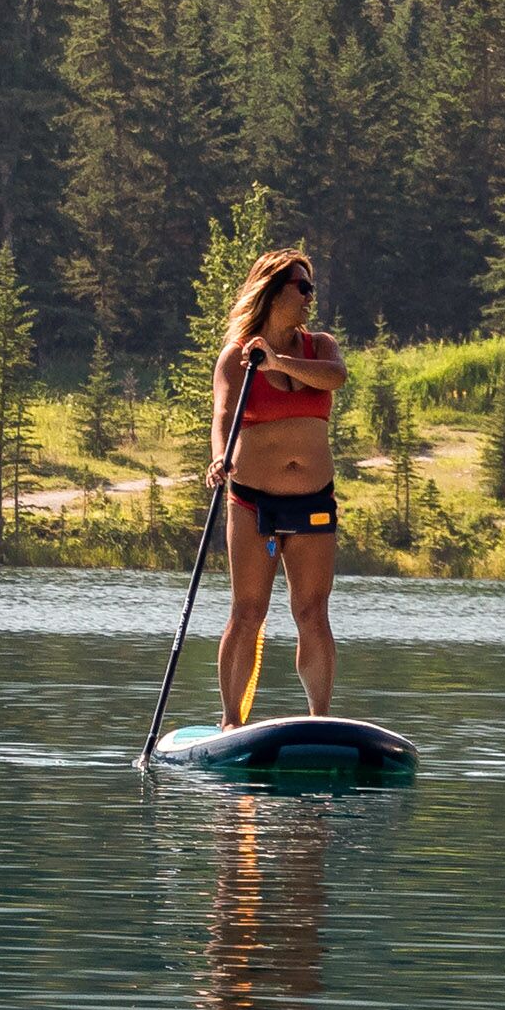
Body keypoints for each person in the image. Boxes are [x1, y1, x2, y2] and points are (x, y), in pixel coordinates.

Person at [206, 248, 349, 725]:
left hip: (313, 500)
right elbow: (224, 415)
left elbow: (336, 378)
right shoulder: (236, 357)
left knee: (312, 612)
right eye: (302, 287)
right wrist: (219, 456)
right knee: (248, 612)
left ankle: (320, 718)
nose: (310, 298)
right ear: (273, 290)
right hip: (253, 501)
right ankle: (231, 720)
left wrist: (279, 363)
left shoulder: (319, 348)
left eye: (312, 289)